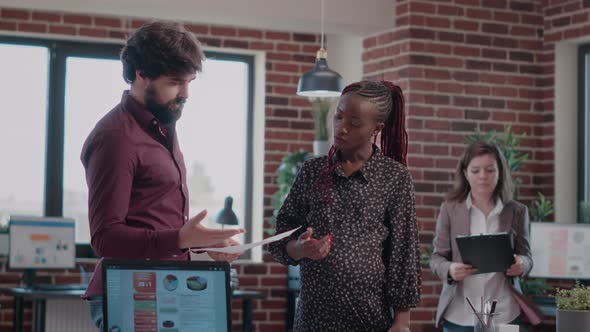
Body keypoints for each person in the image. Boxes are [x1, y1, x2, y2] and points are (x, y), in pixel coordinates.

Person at [80, 21, 244, 330]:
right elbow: (105, 238)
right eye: (175, 82)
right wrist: (181, 238)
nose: (186, 93)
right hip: (129, 293)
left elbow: (152, 217)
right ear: (141, 74)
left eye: (189, 82)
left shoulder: (162, 124)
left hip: (165, 288)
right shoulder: (116, 137)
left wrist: (198, 244)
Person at [269, 80, 421, 332]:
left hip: (369, 320)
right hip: (313, 320)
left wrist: (402, 321)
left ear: (376, 128)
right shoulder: (312, 171)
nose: (342, 127)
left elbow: (403, 252)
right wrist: (300, 248)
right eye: (338, 117)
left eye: (355, 122)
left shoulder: (395, 177)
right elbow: (280, 239)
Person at [430, 141, 533, 331]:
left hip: (505, 313)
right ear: (465, 173)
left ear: (500, 172)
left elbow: (527, 258)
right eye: (475, 171)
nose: (483, 177)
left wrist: (522, 265)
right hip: (461, 314)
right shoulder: (450, 209)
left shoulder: (517, 211)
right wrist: (450, 268)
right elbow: (436, 258)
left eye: (490, 170)